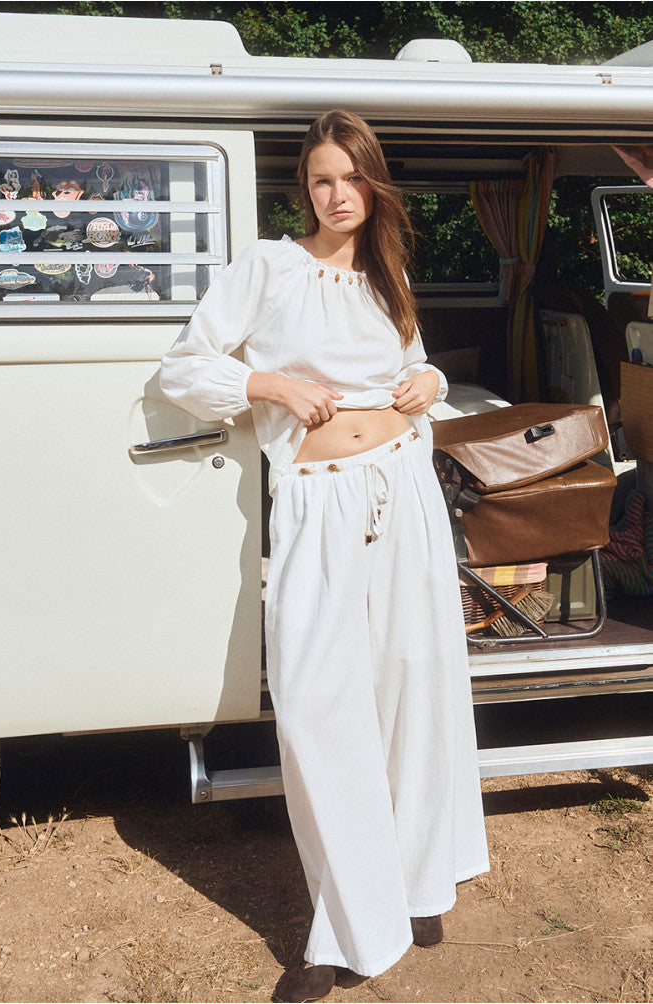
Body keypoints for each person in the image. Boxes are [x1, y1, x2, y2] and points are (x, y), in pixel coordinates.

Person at [160, 109, 489, 1004]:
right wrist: (267, 381)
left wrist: (430, 383)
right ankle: (349, 921)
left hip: (404, 494)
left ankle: (412, 890)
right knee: (317, 708)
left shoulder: (391, 276)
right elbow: (184, 367)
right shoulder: (270, 267)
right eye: (320, 179)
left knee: (413, 690)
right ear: (302, 189)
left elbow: (418, 372)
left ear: (374, 184)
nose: (337, 195)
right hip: (318, 504)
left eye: (351, 177)